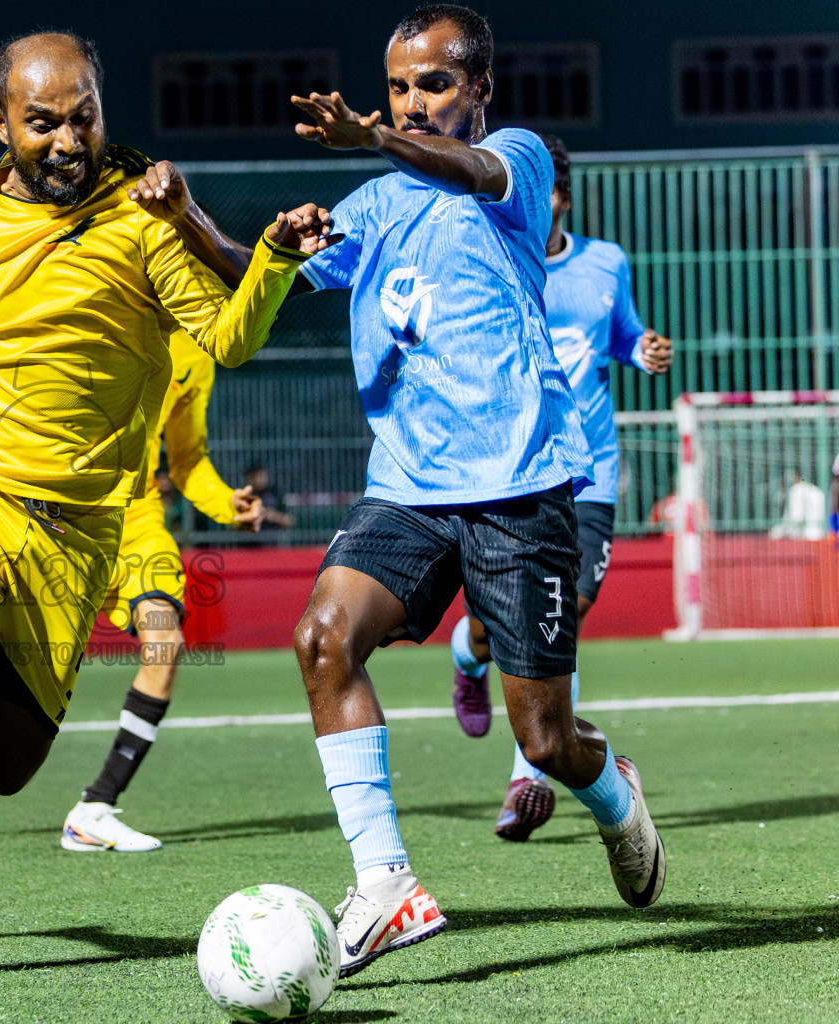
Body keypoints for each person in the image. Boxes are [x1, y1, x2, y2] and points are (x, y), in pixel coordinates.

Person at [0, 30, 330, 995]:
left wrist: (272, 259)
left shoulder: (145, 209)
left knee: (8, 764)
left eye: (82, 115)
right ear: (0, 123)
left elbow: (228, 336)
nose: (66, 139)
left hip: (82, 524)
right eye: (41, 122)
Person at [287, 4, 665, 977]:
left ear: (479, 90)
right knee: (325, 638)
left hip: (523, 489)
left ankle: (613, 790)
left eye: (436, 85)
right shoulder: (371, 204)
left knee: (542, 742)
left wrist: (375, 139)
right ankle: (385, 884)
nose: (413, 104)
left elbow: (466, 171)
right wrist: (204, 229)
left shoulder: (518, 159)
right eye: (399, 88)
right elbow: (260, 281)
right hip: (409, 488)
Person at [446, 133, 674, 840]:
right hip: (516, 471)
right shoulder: (489, 262)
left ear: (559, 199)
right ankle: (465, 658)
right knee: (490, 631)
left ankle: (527, 778)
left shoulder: (605, 263)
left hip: (590, 472)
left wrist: (643, 349)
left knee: (560, 619)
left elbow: (624, 335)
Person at [61, 328, 264, 853]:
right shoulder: (89, 303)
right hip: (51, 510)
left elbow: (188, 459)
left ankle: (95, 807)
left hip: (136, 519)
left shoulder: (196, 349)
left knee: (164, 641)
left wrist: (226, 506)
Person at [245, 464, 296, 529]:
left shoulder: (275, 493)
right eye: (256, 476)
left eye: (262, 475)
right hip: (251, 536)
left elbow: (290, 520)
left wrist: (273, 516)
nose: (260, 479)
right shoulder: (246, 494)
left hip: (273, 536)